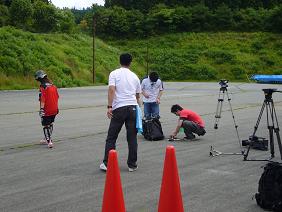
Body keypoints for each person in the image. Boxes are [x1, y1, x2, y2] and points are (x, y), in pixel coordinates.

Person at [100, 53, 141, 172]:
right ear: (130, 62)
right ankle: (132, 164)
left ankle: (107, 163)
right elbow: (138, 95)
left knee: (112, 137)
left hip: (120, 108)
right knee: (132, 137)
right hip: (133, 107)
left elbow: (112, 89)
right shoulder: (135, 76)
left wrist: (109, 106)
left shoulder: (114, 73)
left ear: (119, 61)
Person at [34, 70, 59, 148]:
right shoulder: (53, 86)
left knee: (45, 125)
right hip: (55, 109)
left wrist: (41, 109)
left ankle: (49, 141)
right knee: (50, 123)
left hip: (47, 109)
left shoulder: (43, 87)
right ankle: (47, 138)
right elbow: (57, 97)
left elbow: (42, 99)